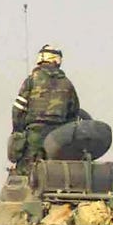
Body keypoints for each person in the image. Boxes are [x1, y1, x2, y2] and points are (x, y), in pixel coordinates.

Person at [10, 44, 80, 174]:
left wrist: (18, 131)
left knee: (26, 173)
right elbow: (74, 113)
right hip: (58, 138)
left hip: (33, 135)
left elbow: (18, 110)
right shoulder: (67, 84)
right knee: (55, 174)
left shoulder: (31, 81)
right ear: (57, 60)